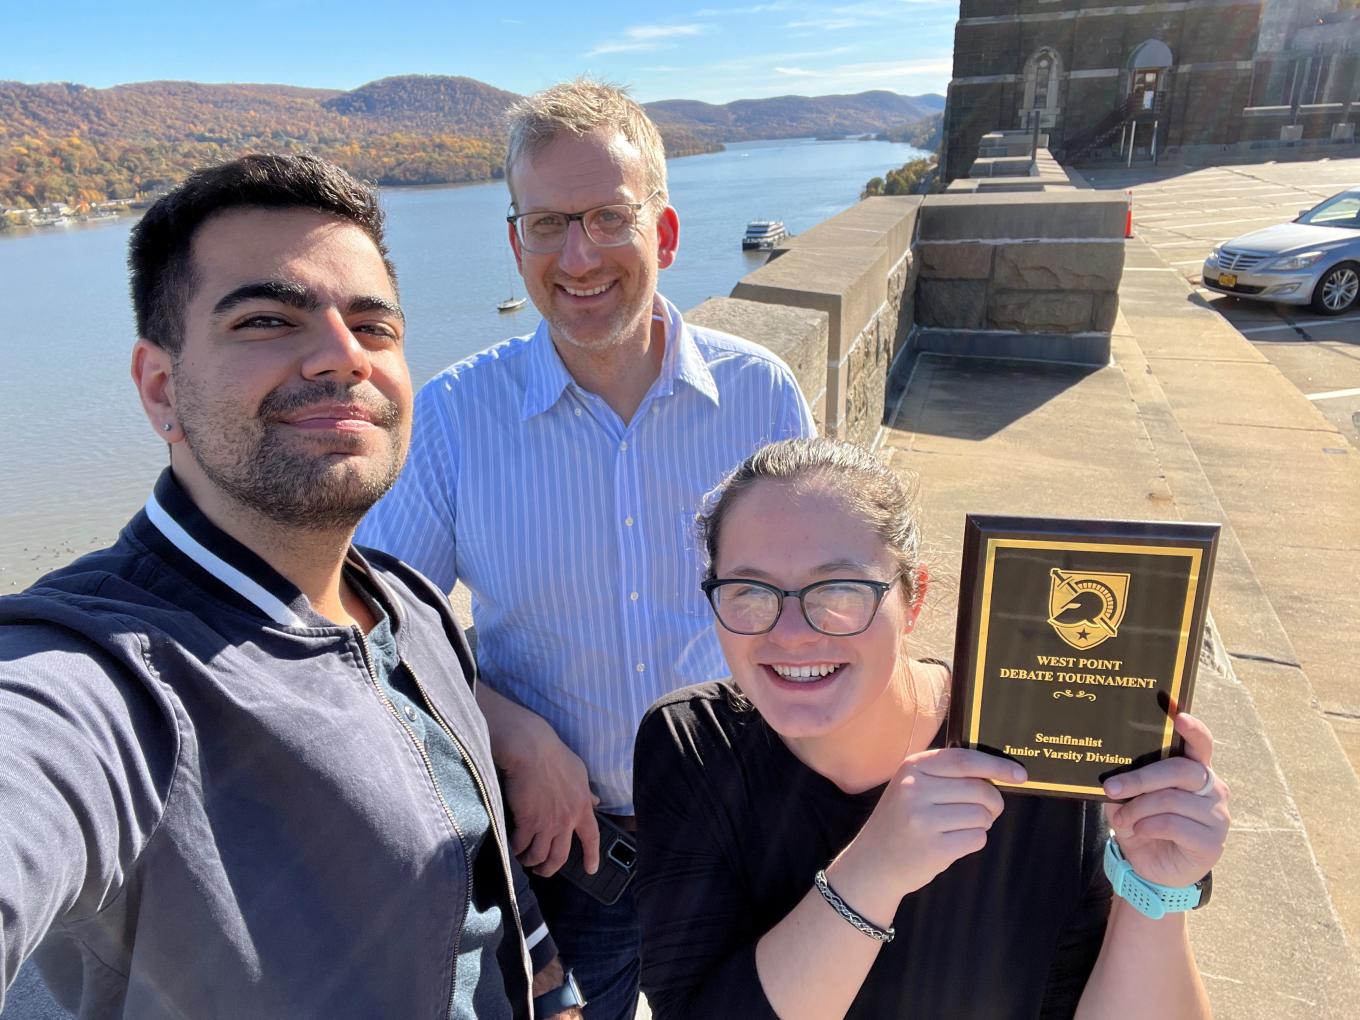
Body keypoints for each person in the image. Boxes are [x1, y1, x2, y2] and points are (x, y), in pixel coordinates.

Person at [0, 153, 581, 1019]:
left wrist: (552, 990)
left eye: (374, 328)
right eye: (268, 320)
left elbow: (481, 872)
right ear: (162, 389)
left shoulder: (405, 602)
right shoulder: (101, 678)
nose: (343, 358)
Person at [356, 79, 815, 1018]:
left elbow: (824, 602)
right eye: (550, 222)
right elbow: (371, 631)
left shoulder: (761, 396)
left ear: (668, 232)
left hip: (748, 827)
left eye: (609, 217)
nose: (580, 255)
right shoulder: (452, 419)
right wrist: (513, 737)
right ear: (516, 242)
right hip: (570, 851)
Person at [634, 437, 1230, 1019]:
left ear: (913, 598)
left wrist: (1152, 889)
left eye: (839, 589)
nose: (791, 633)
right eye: (749, 590)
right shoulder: (691, 746)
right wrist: (873, 869)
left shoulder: (1034, 749)